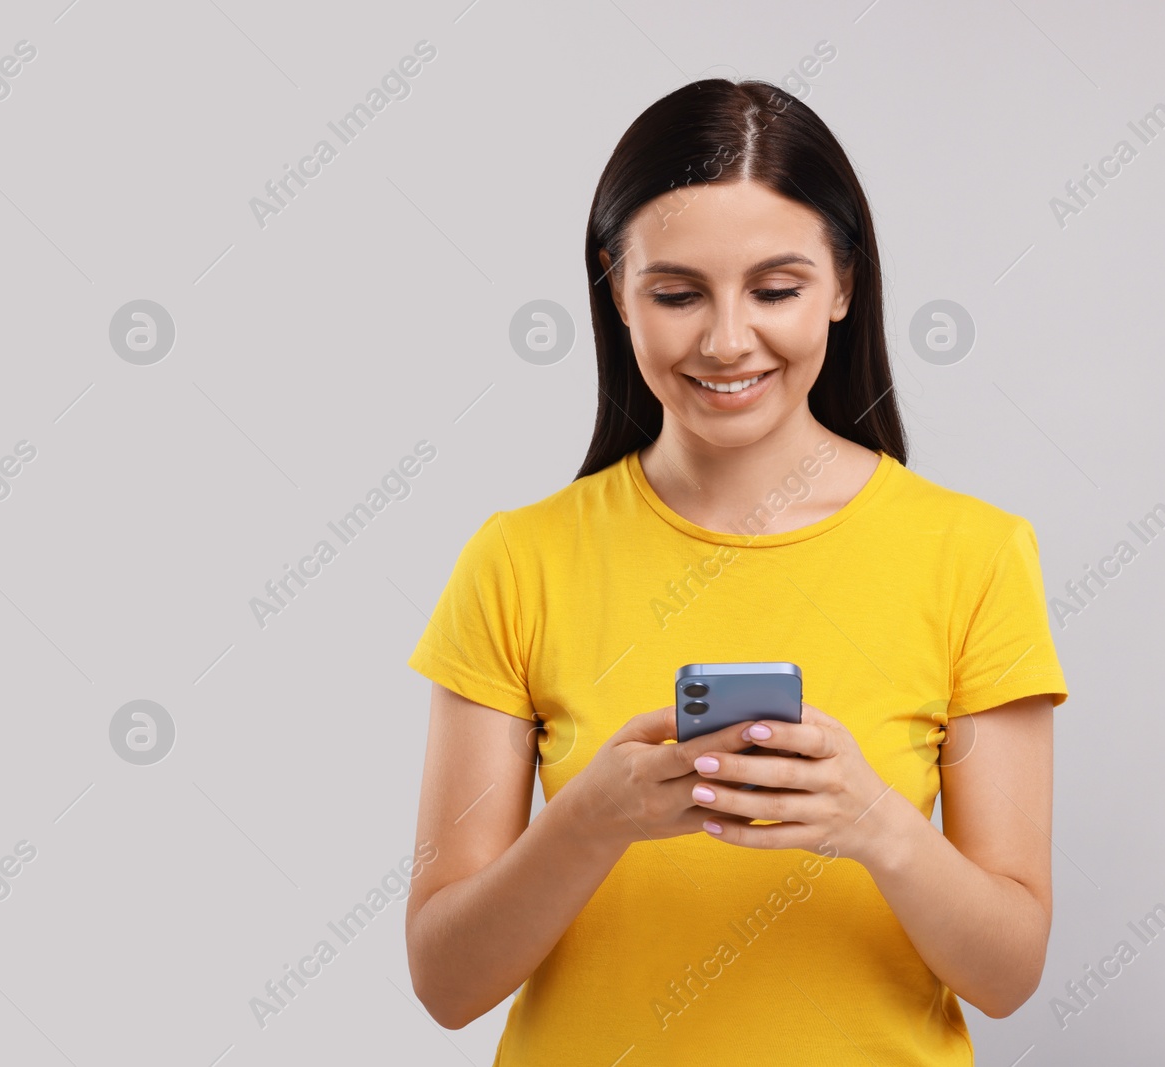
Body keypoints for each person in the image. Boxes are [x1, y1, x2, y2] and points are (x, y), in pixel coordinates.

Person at [403, 77, 1069, 1065]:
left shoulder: (972, 555)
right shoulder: (518, 560)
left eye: (775, 288)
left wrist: (875, 823)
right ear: (614, 289)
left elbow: (1007, 972)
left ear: (842, 283)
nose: (724, 339)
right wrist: (589, 819)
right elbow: (447, 983)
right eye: (676, 293)